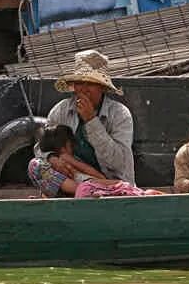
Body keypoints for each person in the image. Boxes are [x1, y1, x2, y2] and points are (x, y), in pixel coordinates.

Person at [30, 49, 136, 196]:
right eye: (80, 83)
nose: (84, 90)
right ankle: (80, 192)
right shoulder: (61, 110)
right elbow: (40, 148)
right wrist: (52, 158)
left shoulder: (120, 114)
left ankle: (89, 191)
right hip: (73, 179)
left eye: (91, 83)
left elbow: (118, 163)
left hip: (109, 184)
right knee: (35, 165)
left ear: (102, 87)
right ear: (74, 86)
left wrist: (91, 120)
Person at [28, 124, 161, 198]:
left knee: (124, 186)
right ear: (64, 146)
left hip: (94, 189)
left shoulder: (74, 161)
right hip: (86, 192)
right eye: (70, 145)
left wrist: (73, 162)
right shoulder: (40, 165)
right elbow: (78, 187)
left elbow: (98, 178)